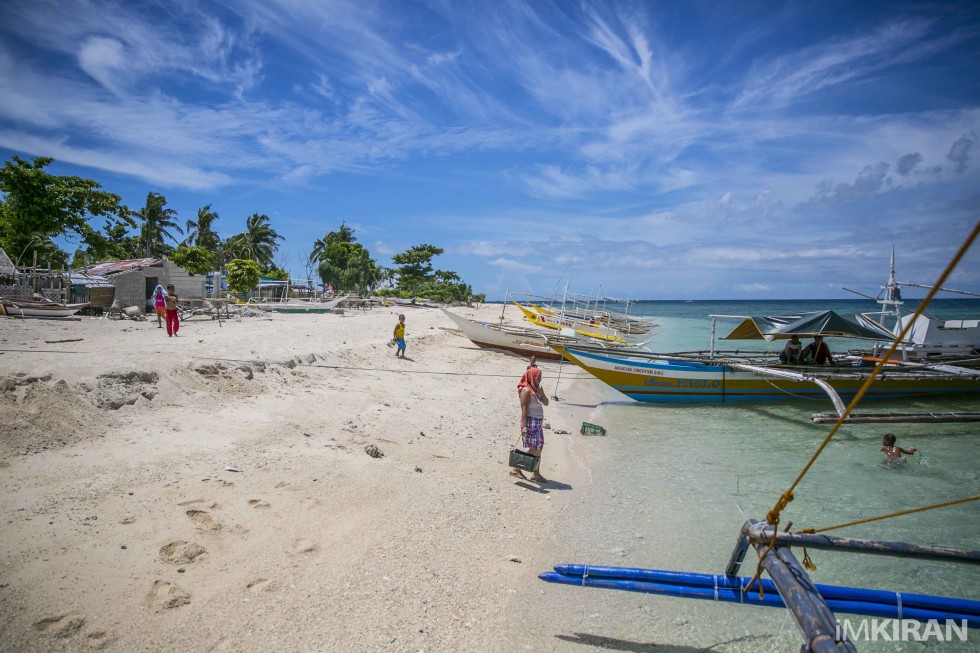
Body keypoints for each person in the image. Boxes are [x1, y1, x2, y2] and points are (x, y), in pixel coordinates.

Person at [512, 366, 549, 482]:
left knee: (539, 447)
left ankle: (536, 473)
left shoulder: (536, 388)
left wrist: (542, 394)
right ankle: (516, 468)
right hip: (531, 422)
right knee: (535, 448)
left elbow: (547, 403)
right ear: (532, 376)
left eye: (540, 377)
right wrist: (523, 427)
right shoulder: (526, 390)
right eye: (538, 377)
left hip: (538, 422)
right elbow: (524, 410)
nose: (539, 379)